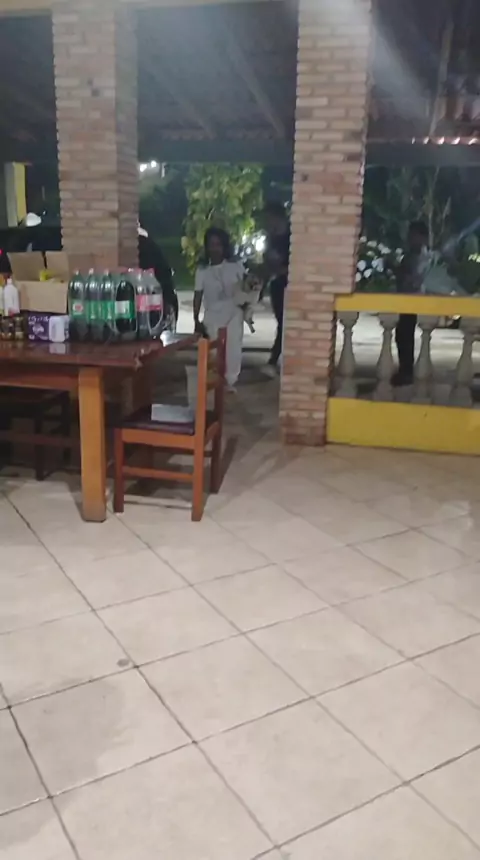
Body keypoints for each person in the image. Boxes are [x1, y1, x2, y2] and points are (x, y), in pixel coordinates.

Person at [193, 227, 247, 391]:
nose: (215, 249)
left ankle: (229, 382)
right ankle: (214, 381)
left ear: (224, 246)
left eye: (218, 245)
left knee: (233, 348)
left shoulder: (235, 266)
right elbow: (198, 295)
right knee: (214, 350)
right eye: (211, 245)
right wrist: (196, 319)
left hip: (233, 313)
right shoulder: (202, 271)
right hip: (212, 315)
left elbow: (247, 287)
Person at [393, 220, 430, 386]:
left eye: (414, 235)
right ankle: (405, 370)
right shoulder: (412, 255)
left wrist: (397, 271)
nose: (410, 238)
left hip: (413, 301)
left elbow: (414, 280)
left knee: (405, 336)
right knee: (402, 335)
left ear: (422, 237)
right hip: (406, 300)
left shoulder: (422, 258)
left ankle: (406, 372)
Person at [262, 201, 290, 375]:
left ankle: (275, 358)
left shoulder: (291, 236)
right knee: (281, 321)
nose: (267, 222)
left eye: (269, 218)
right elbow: (268, 261)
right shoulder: (271, 238)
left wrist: (282, 270)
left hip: (289, 283)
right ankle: (277, 357)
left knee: (284, 322)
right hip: (276, 284)